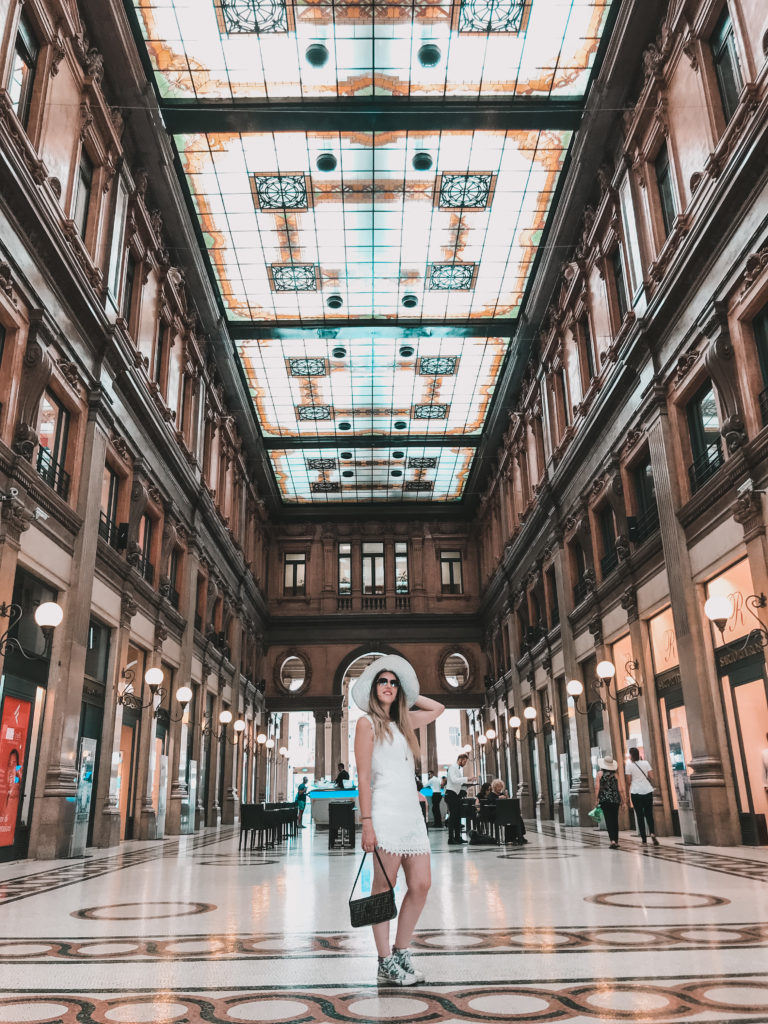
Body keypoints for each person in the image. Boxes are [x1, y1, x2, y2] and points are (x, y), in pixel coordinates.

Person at [353, 654, 444, 987]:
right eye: (383, 681)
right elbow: (363, 778)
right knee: (383, 891)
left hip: (411, 815)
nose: (388, 687)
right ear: (374, 688)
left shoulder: (405, 721)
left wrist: (410, 689)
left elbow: (438, 709)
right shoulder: (366, 725)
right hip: (385, 813)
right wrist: (366, 822)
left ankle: (401, 950)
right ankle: (383, 961)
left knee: (421, 884)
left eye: (393, 682)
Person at [625, 747, 659, 846]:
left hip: (636, 792)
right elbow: (652, 776)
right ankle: (652, 833)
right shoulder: (646, 763)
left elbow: (628, 781)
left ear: (631, 755)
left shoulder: (629, 765)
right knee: (649, 814)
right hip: (647, 790)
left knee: (639, 815)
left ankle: (644, 840)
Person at [445, 752, 476, 845]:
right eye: (465, 762)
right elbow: (454, 780)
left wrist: (466, 784)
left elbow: (458, 782)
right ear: (460, 760)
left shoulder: (457, 769)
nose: (465, 764)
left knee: (458, 816)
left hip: (456, 795)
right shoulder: (452, 768)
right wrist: (467, 779)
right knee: (453, 817)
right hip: (451, 795)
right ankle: (451, 839)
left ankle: (458, 837)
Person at [596, 755, 625, 849]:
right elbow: (620, 789)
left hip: (605, 800)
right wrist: (624, 801)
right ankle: (616, 841)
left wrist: (596, 799)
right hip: (615, 800)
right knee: (615, 820)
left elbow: (597, 788)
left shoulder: (599, 774)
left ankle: (612, 840)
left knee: (608, 820)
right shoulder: (616, 775)